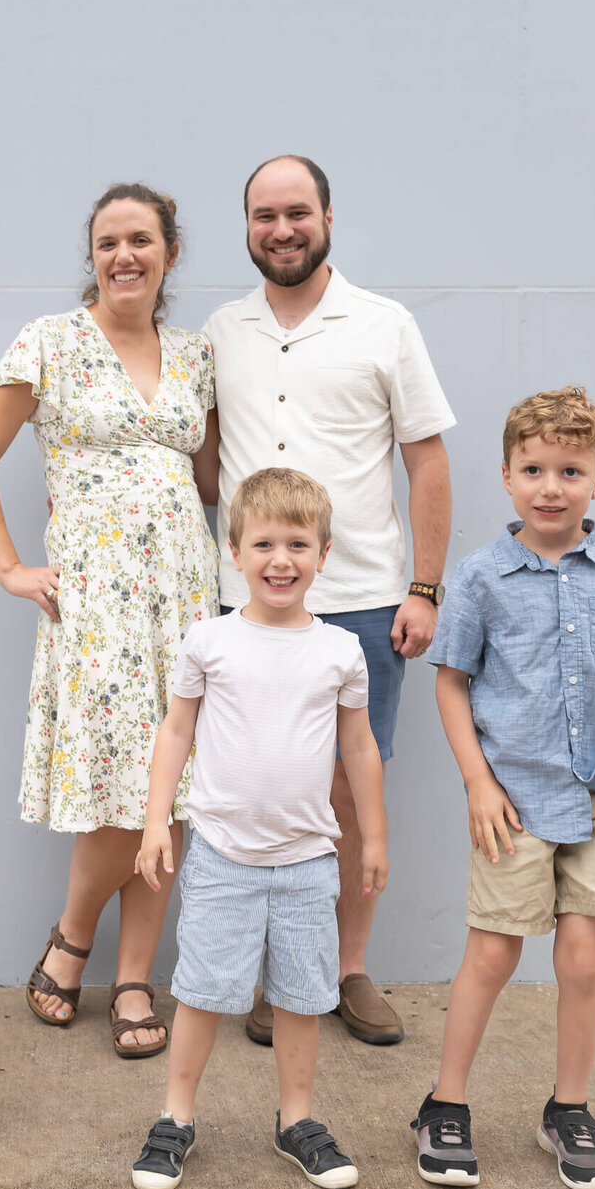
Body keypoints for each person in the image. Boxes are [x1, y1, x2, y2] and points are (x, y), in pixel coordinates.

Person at [193, 155, 453, 1048]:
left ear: (329, 219)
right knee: (258, 783)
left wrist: (423, 586)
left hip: (361, 600)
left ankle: (343, 971)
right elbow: (202, 457)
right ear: (249, 229)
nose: (282, 229)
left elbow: (426, 460)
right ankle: (277, 975)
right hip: (244, 603)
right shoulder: (220, 330)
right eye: (264, 216)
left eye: (297, 212)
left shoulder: (384, 325)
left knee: (350, 787)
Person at [0, 183, 218, 1058]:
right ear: (93, 257)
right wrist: (6, 566)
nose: (124, 257)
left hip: (184, 596)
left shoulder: (194, 356)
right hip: (98, 601)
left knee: (172, 790)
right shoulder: (51, 342)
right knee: (117, 790)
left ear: (169, 253)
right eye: (108, 243)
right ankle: (72, 938)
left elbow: (210, 481)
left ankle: (136, 975)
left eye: (141, 240)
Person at [414, 386, 595, 1189]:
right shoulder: (479, 577)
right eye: (533, 468)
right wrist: (477, 782)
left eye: (570, 470)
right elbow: (452, 684)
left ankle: (568, 1109)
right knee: (495, 951)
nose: (550, 486)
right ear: (505, 475)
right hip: (515, 803)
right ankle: (445, 1102)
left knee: (583, 960)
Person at [130, 468, 387, 1189]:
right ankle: (175, 1118)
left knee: (304, 999)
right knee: (204, 993)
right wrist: (157, 824)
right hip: (221, 856)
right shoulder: (209, 641)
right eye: (265, 543)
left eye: (298, 544)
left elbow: (360, 750)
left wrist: (374, 837)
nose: (282, 559)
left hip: (308, 861)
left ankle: (297, 1120)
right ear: (235, 552)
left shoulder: (339, 650)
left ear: (324, 553)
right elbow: (175, 732)